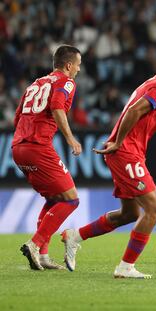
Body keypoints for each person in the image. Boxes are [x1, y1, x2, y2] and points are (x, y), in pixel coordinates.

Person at [61, 43, 156, 279]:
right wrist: (119, 142)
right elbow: (133, 111)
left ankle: (74, 236)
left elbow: (145, 114)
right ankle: (125, 267)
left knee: (130, 214)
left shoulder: (155, 81)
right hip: (125, 152)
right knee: (154, 208)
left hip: (127, 152)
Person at [12, 45, 82, 271]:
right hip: (37, 146)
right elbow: (57, 107)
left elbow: (18, 116)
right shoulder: (67, 82)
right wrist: (70, 138)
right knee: (71, 199)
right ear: (69, 65)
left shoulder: (36, 83)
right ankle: (35, 243)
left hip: (18, 147)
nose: (78, 70)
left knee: (54, 199)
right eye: (78, 65)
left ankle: (42, 256)